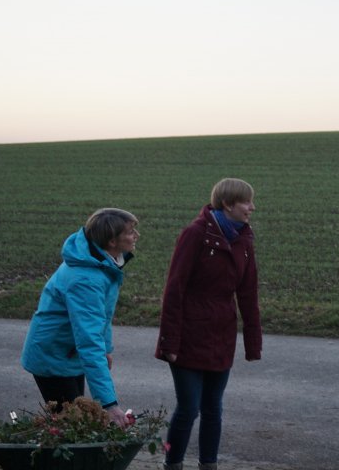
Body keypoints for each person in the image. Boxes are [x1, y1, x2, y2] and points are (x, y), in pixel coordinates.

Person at [155, 178, 262, 470]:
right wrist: (169, 342)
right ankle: (172, 463)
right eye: (246, 202)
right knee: (188, 408)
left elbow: (248, 294)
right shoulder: (195, 234)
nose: (252, 207)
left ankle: (209, 465)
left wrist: (253, 344)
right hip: (187, 336)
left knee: (213, 409)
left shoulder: (244, 240)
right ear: (227, 204)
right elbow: (174, 290)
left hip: (221, 335)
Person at [20, 208, 140, 426]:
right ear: (112, 241)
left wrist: (105, 349)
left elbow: (102, 317)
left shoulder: (100, 264)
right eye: (131, 232)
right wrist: (109, 404)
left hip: (68, 352)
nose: (136, 236)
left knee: (75, 424)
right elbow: (89, 340)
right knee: (72, 428)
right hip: (54, 357)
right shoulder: (86, 279)